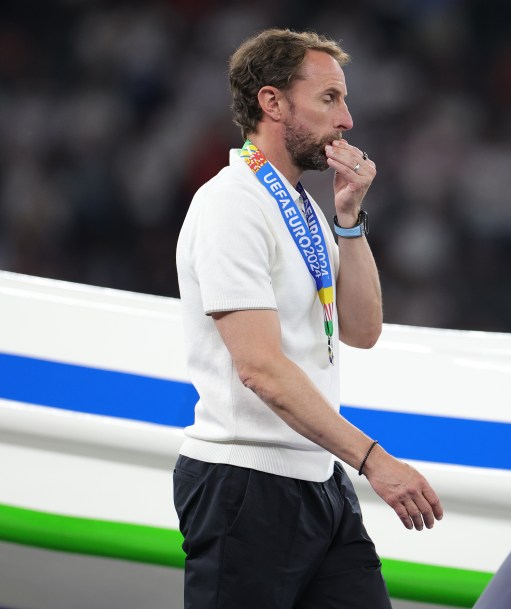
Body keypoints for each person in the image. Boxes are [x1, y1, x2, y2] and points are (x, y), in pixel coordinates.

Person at [173, 28, 444, 609]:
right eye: (329, 99)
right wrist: (374, 461)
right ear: (272, 103)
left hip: (319, 478)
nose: (347, 120)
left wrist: (348, 218)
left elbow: (363, 330)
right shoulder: (231, 203)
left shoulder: (301, 207)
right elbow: (261, 370)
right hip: (243, 482)